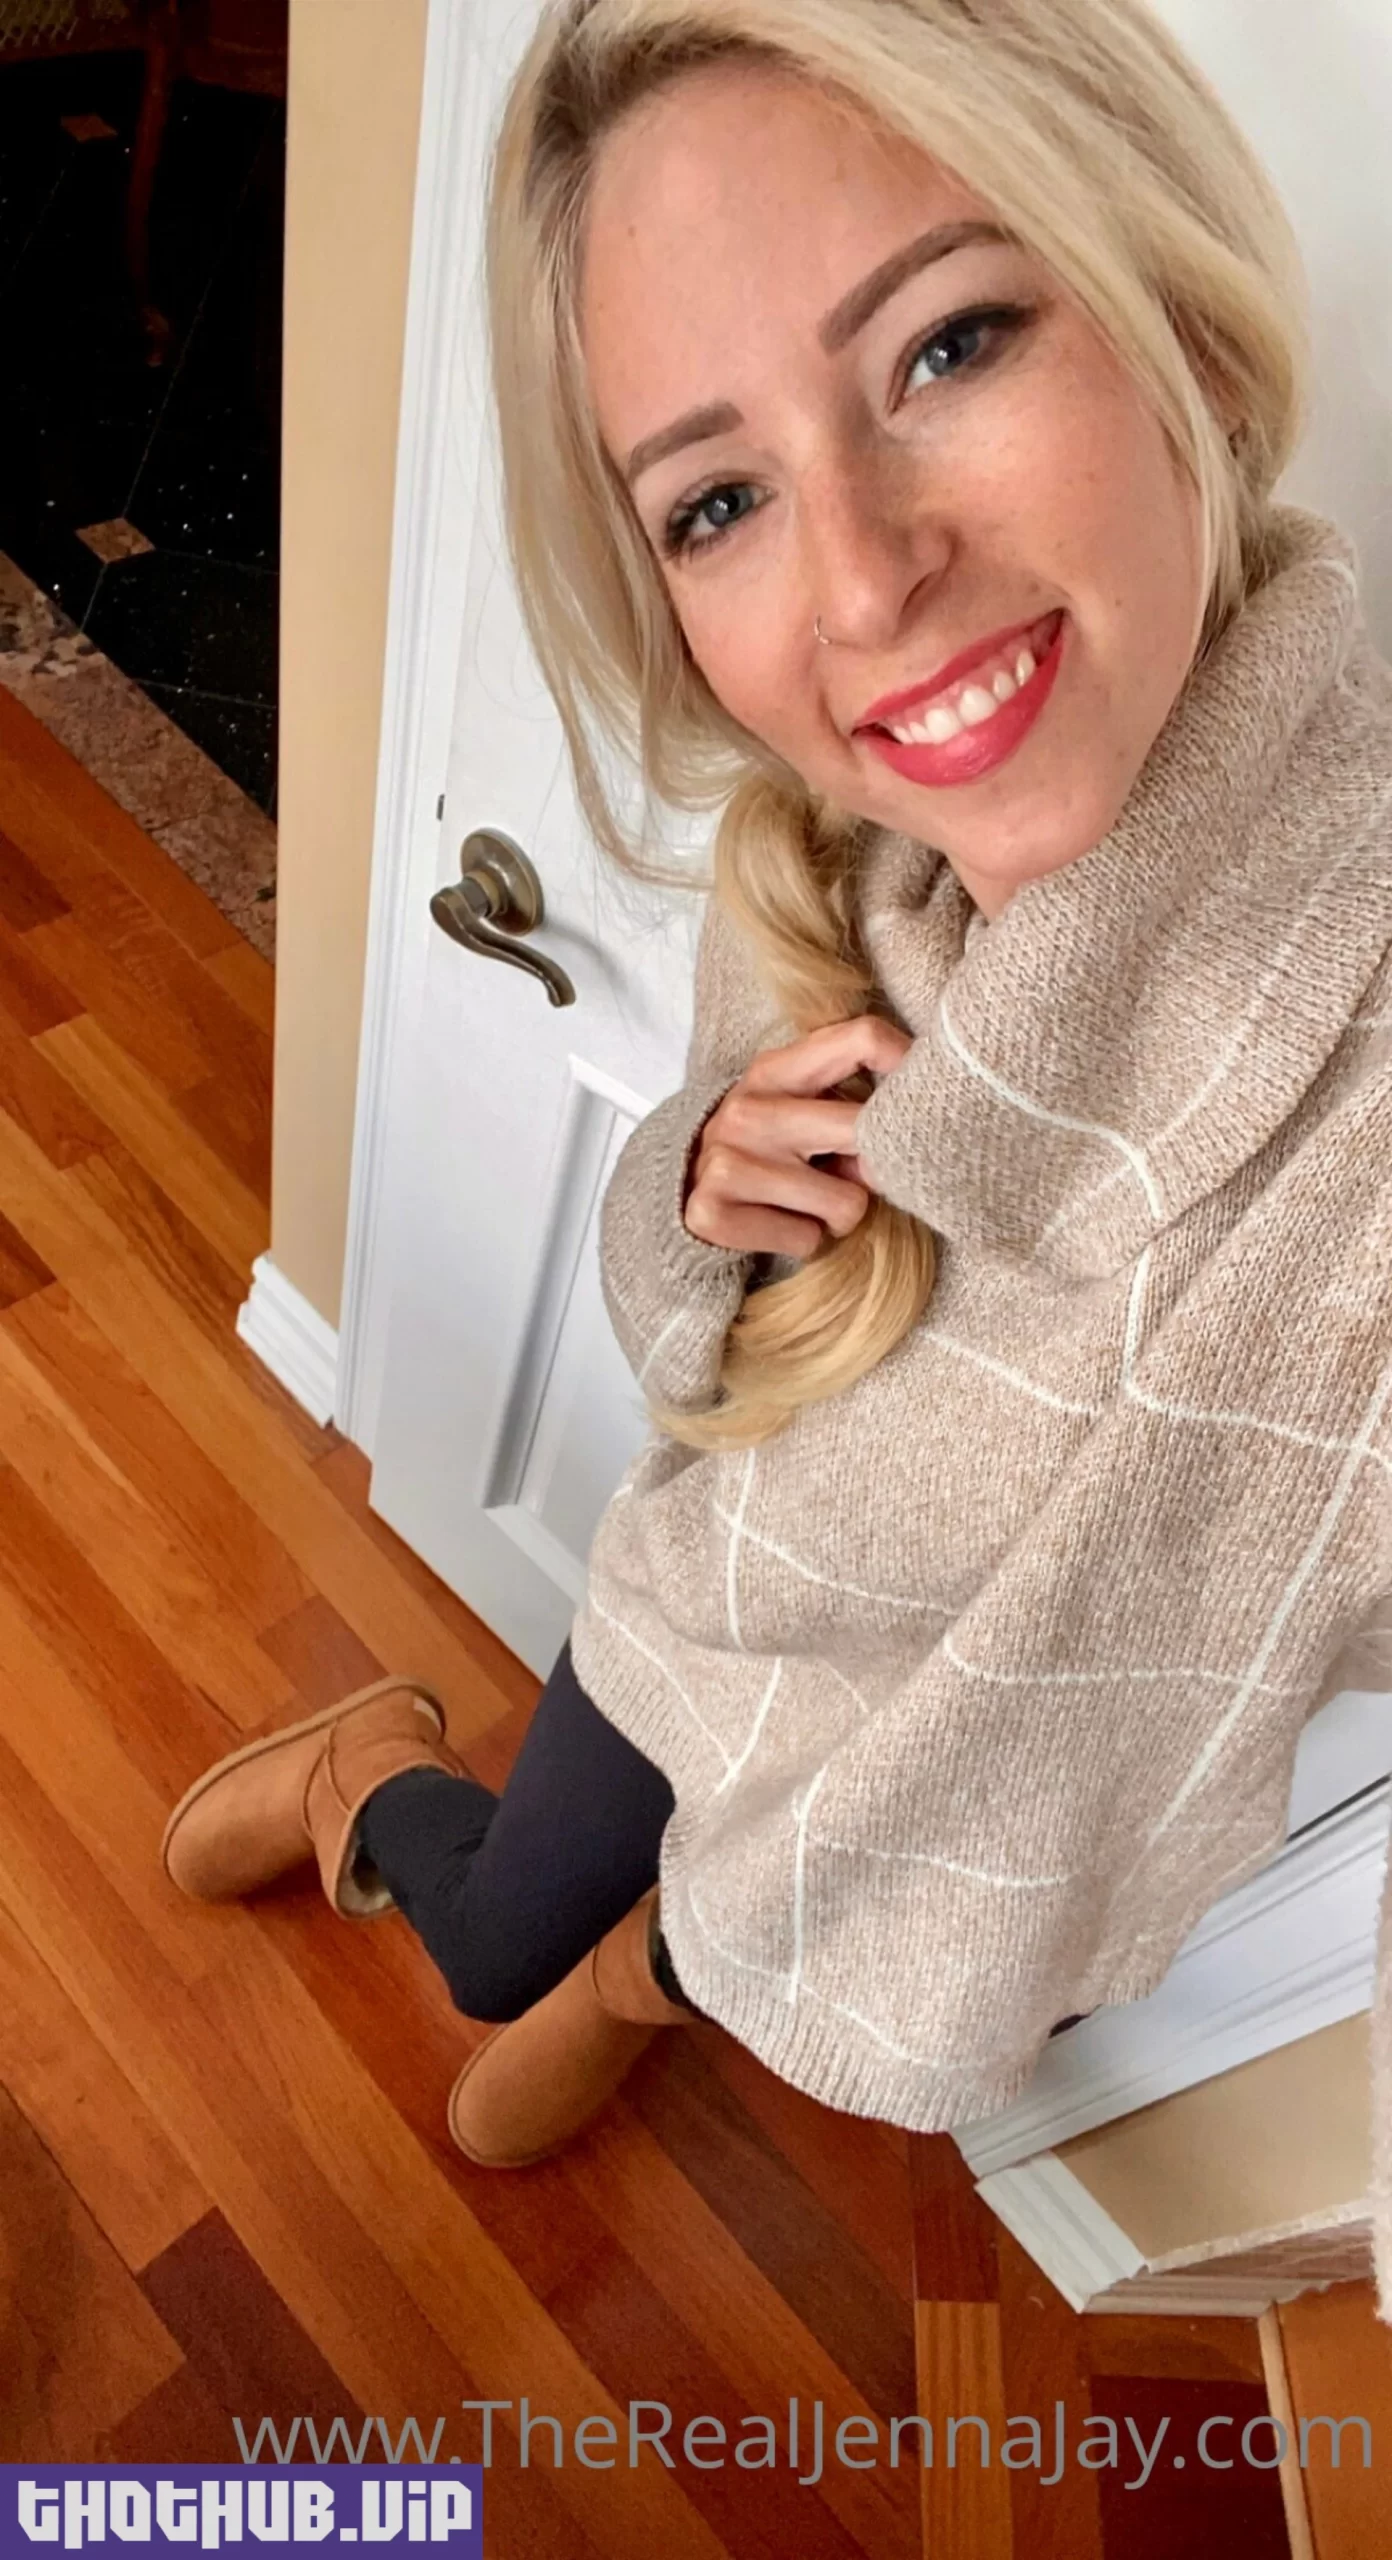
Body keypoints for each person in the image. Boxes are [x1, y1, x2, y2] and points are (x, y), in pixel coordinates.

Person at [160, 0, 1392, 2316]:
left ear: (1187, 331)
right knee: (492, 1945)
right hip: (700, 1633)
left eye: (949, 343)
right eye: (716, 500)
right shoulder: (839, 868)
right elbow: (691, 1304)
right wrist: (694, 1190)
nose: (862, 581)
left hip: (913, 1830)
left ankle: (656, 1977)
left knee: (721, 1953)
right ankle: (376, 1779)